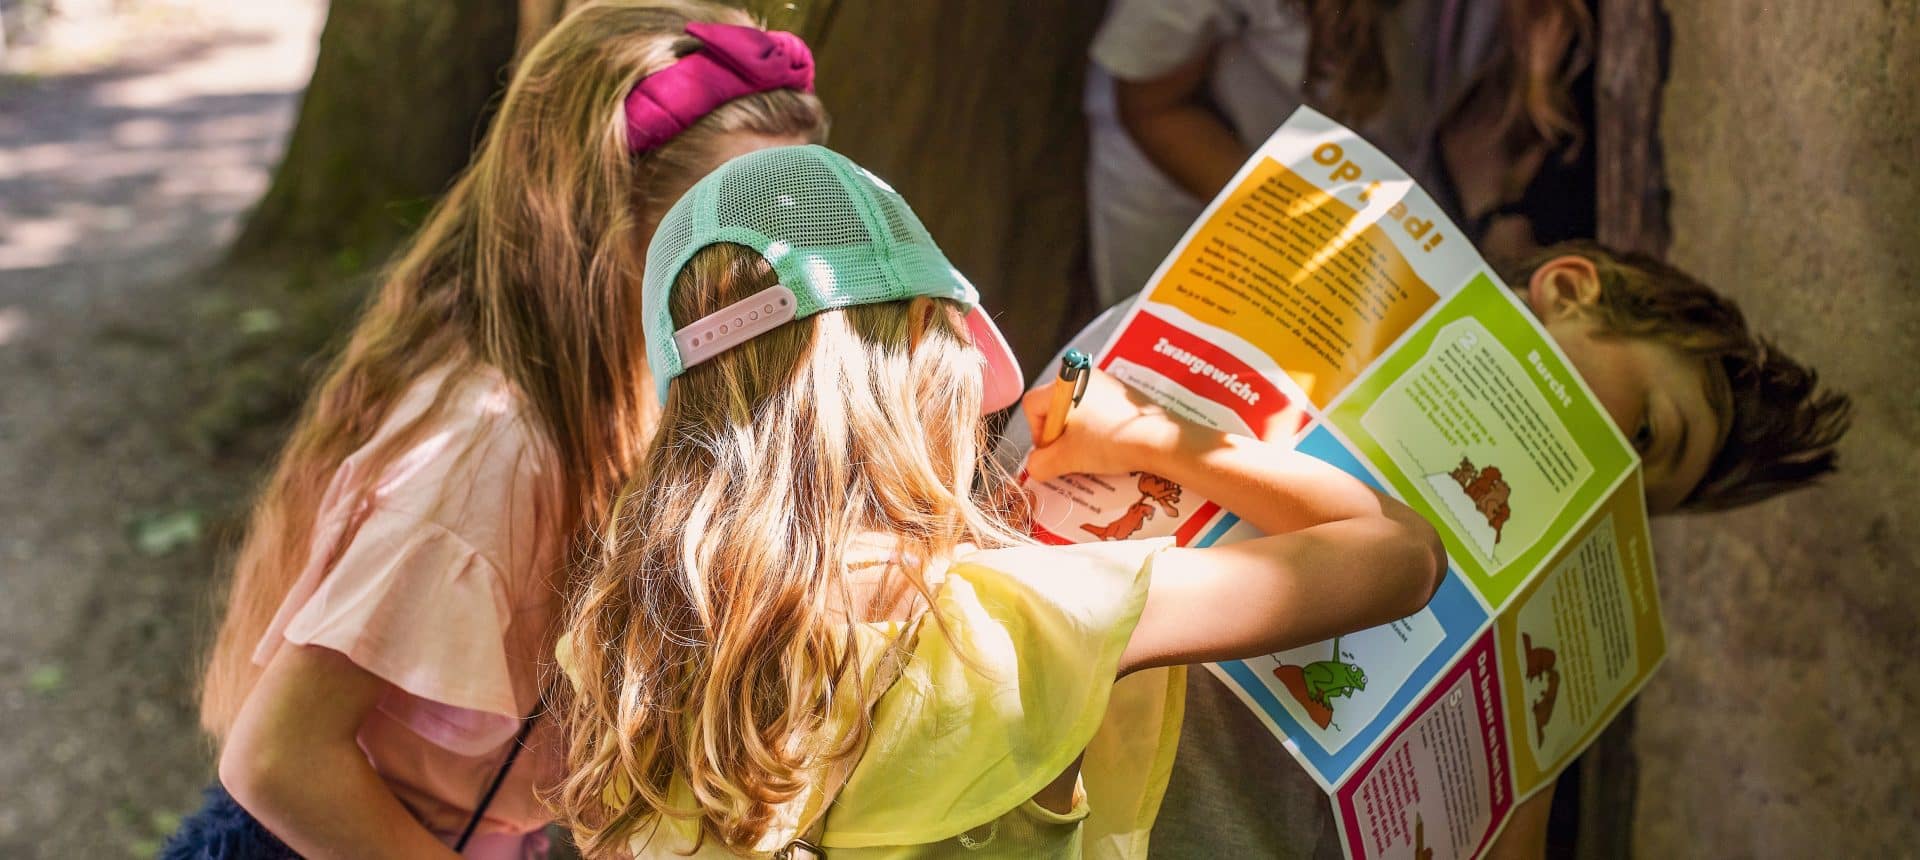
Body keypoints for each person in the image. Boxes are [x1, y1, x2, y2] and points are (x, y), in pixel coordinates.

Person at [549, 144, 1447, 858]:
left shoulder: (627, 639)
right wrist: (1148, 435)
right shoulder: (1006, 624)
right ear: (930, 367)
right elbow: (1405, 556)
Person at [163, 3, 827, 857]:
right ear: (604, 226)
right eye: (738, 231)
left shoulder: (625, 383)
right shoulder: (493, 448)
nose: (786, 266)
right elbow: (279, 760)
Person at [997, 241, 1852, 858]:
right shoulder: (1291, 337)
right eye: (1641, 432)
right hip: (1011, 759)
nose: (1604, 477)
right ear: (1568, 288)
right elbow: (1021, 483)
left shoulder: (1526, 640)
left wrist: (1536, 746)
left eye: (1630, 502)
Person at [1085, 0, 1596, 305]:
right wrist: (1331, 244)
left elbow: (1473, 98)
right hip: (1201, 175)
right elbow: (1153, 108)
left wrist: (1500, 219)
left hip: (1371, 175)